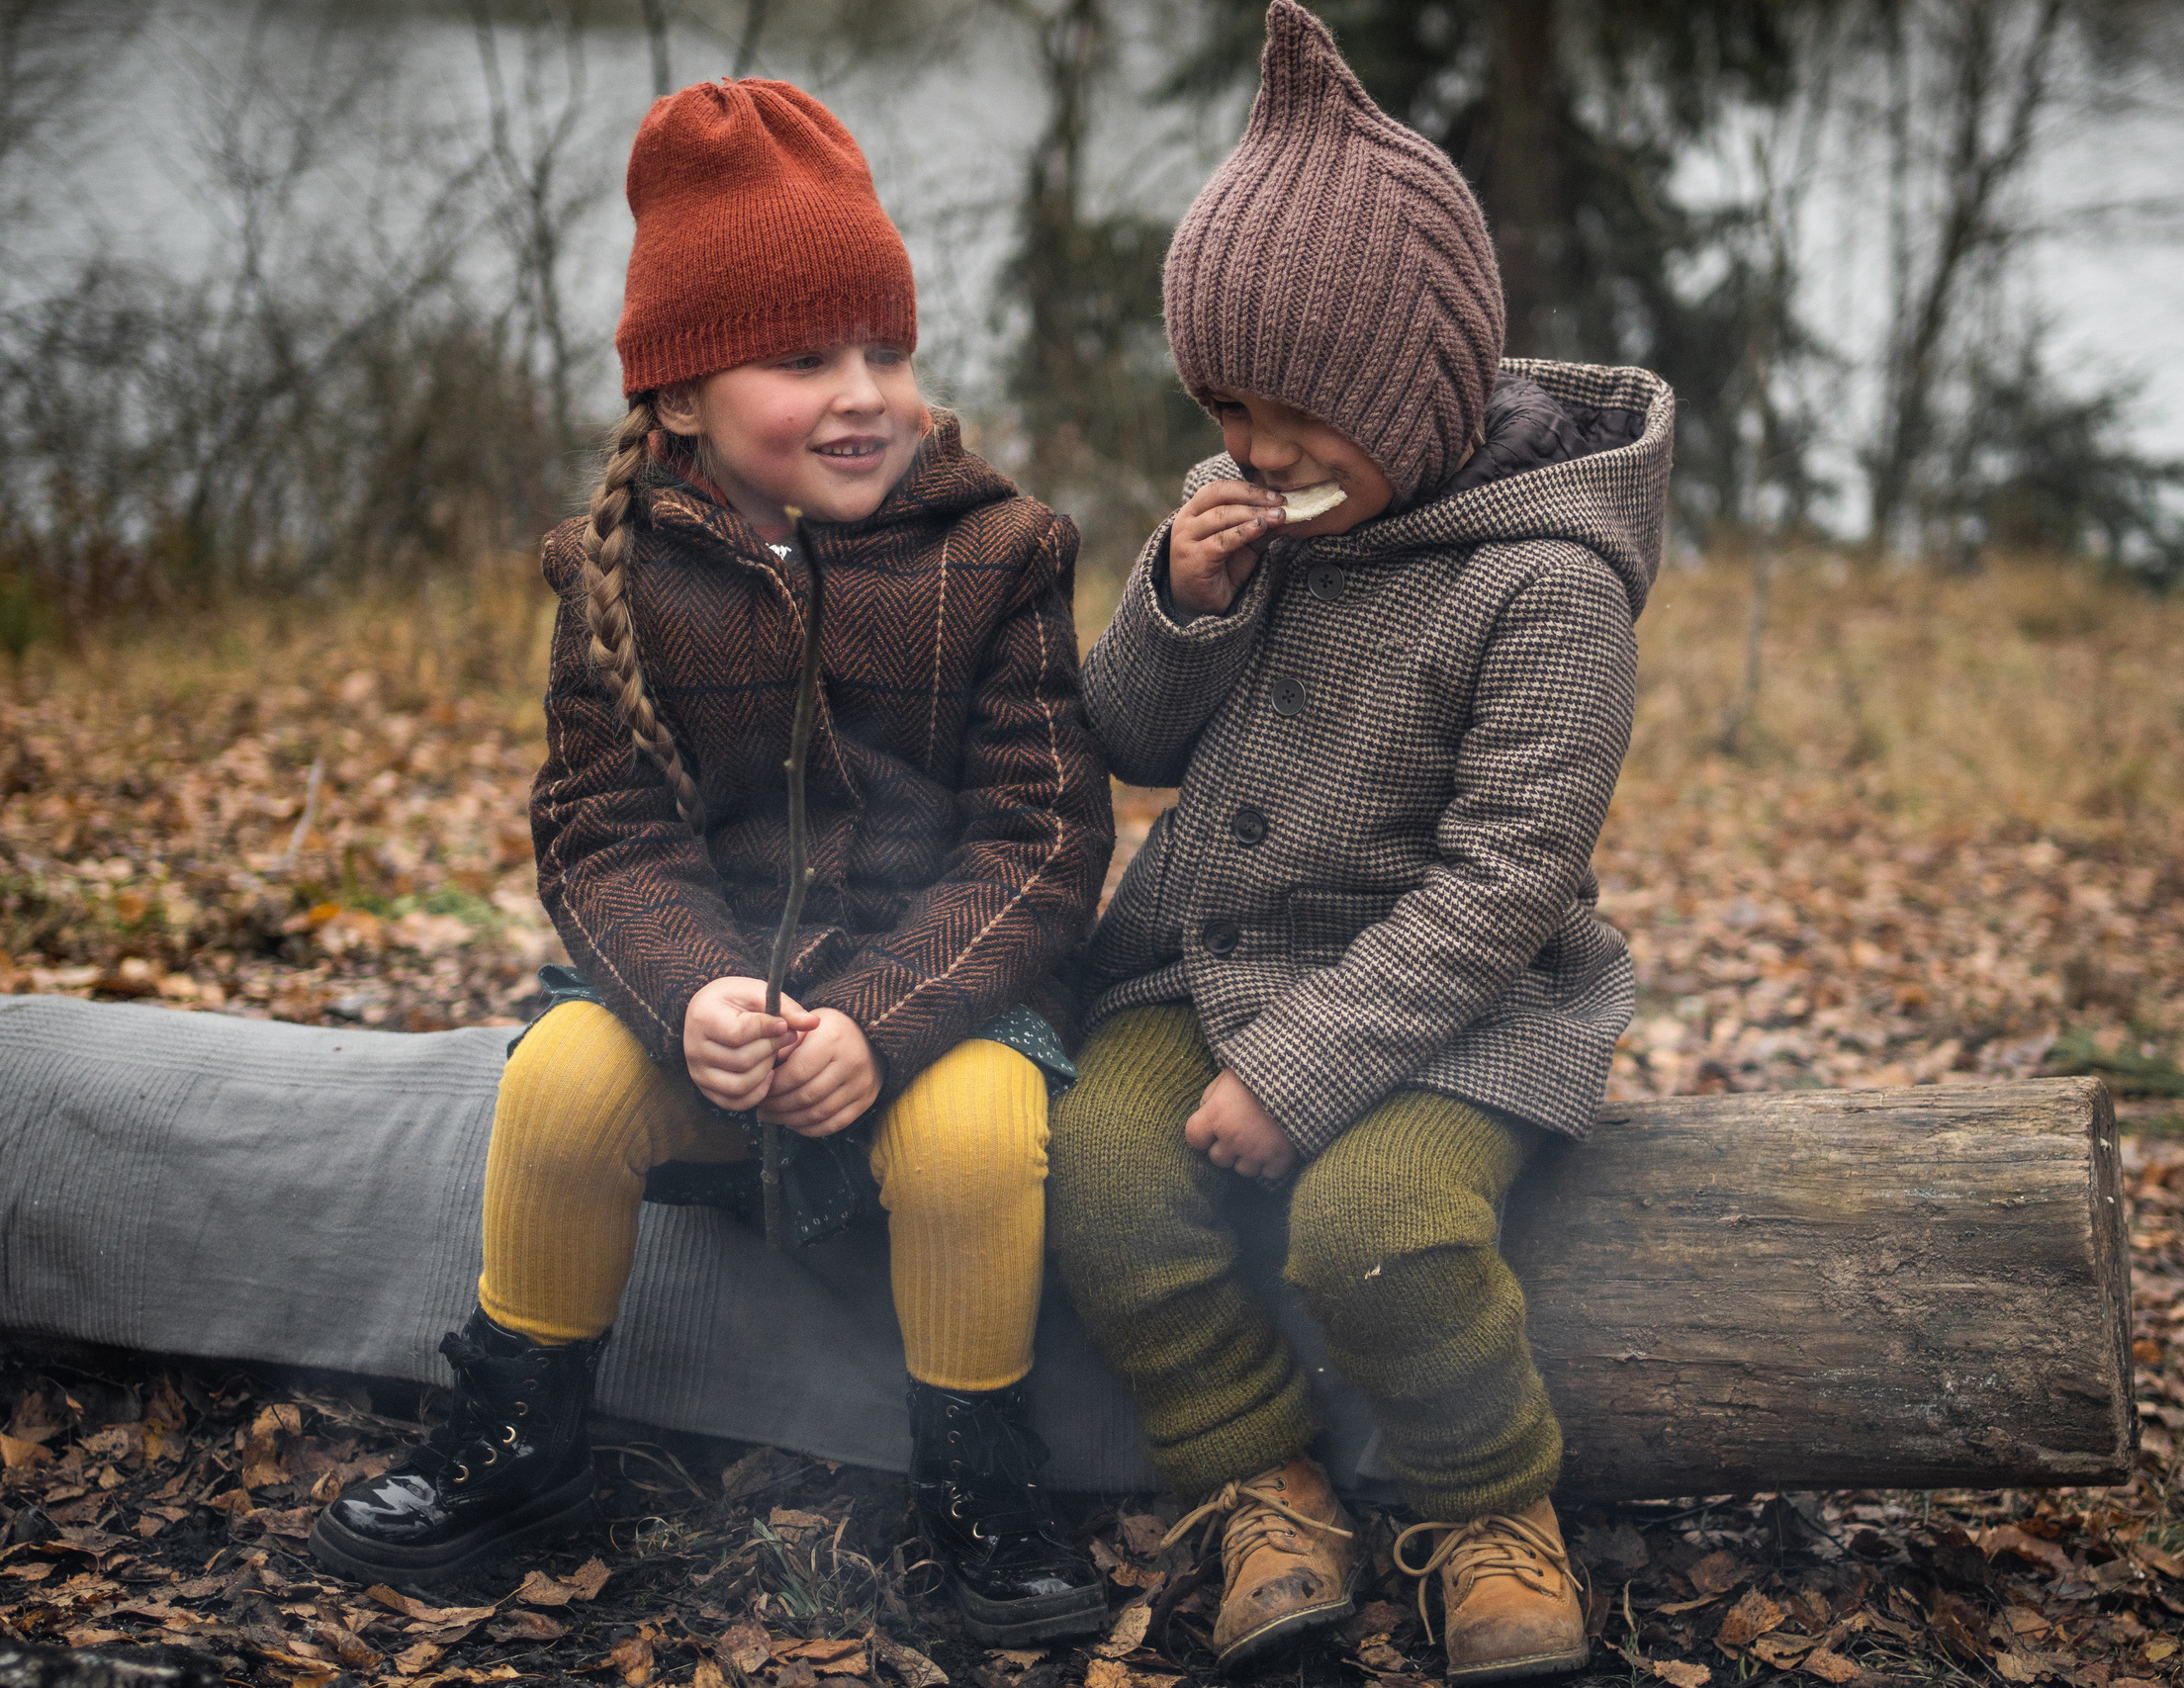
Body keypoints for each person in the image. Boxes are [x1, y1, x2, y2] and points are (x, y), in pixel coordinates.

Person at [309, 79, 1116, 1645]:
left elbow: (1041, 840)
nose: (865, 391)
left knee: (973, 1135)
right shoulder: (619, 575)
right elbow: (603, 833)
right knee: (554, 1085)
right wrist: (691, 997)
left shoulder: (1000, 556)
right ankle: (518, 1438)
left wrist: (880, 1022)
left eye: (887, 349)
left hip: (934, 1003)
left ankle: (972, 1478)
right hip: (714, 1011)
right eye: (806, 358)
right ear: (679, 397)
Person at [1046, 3, 1675, 1682]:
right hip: (1211, 953)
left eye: (1290, 414)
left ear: (1408, 390)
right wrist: (1182, 604)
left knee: (1372, 1228)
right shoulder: (1261, 515)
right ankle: (1259, 1480)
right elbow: (1129, 741)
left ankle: (1490, 1511)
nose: (1253, 450)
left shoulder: (1542, 584)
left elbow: (1505, 882)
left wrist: (1304, 1074)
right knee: (1102, 1183)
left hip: (1461, 1003)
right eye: (1223, 405)